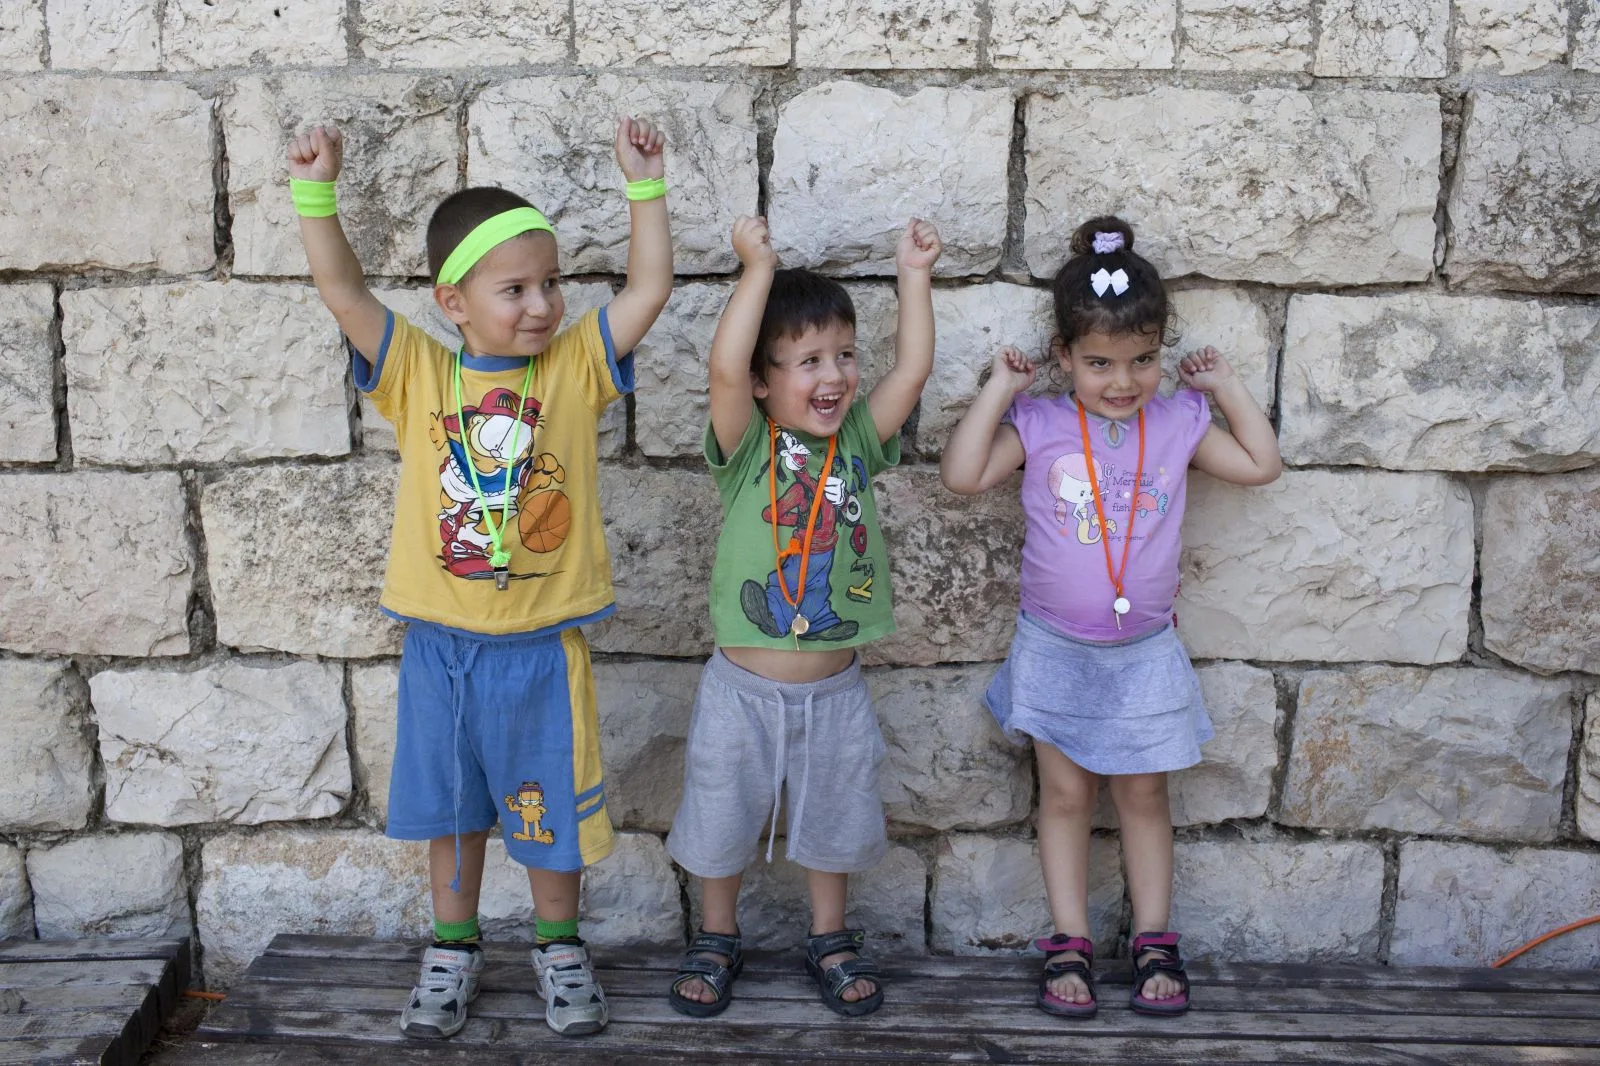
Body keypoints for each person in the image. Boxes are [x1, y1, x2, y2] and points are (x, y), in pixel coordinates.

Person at [285, 116, 672, 1038]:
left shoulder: (576, 364)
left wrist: (644, 188)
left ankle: (560, 947)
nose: (540, 305)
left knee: (551, 818)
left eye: (550, 284)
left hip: (542, 648)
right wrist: (316, 193)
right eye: (515, 289)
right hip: (441, 646)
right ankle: (453, 947)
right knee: (453, 813)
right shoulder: (415, 369)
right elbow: (341, 292)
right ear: (453, 302)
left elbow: (650, 287)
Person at [940, 216, 1281, 1018]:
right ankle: (1068, 940)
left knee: (1143, 797)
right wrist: (1000, 389)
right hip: (1057, 645)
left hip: (1144, 650)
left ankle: (1155, 938)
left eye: (1142, 362)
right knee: (1063, 797)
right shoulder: (1046, 423)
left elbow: (1261, 465)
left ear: (1161, 353)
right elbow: (962, 475)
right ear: (1065, 357)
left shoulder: (1177, 421)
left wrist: (1222, 387)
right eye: (1098, 363)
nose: (1122, 381)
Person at [664, 214, 941, 1019]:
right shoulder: (748, 443)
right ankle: (716, 935)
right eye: (809, 361)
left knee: (836, 810)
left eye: (845, 356)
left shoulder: (855, 441)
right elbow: (722, 369)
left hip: (834, 689)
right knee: (721, 809)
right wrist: (756, 269)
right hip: (741, 690)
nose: (835, 376)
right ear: (764, 380)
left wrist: (914, 277)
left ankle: (830, 935)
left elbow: (914, 370)